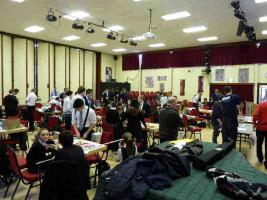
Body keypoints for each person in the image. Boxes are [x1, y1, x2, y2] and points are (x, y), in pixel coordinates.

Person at [253, 101, 267, 169]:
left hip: (260, 128)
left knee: (259, 144)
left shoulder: (261, 104)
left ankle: (260, 159)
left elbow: (255, 115)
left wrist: (254, 123)